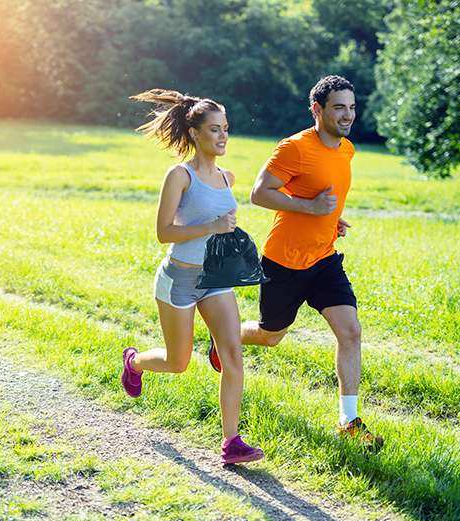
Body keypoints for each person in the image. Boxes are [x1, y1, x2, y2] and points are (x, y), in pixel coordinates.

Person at [208, 75, 383, 449]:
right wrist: (311, 208)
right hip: (284, 262)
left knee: (350, 331)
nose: (347, 115)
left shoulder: (347, 150)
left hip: (323, 259)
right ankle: (225, 339)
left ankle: (348, 420)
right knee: (271, 336)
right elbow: (259, 194)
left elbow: (320, 195)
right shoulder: (294, 148)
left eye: (351, 107)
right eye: (339, 107)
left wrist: (329, 219)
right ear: (317, 110)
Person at [121, 89, 264, 464]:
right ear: (195, 133)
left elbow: (223, 228)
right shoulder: (179, 176)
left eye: (226, 129)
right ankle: (133, 362)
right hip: (179, 280)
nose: (223, 136)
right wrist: (213, 226)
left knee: (233, 355)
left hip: (215, 280)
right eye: (214, 129)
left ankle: (231, 442)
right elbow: (164, 232)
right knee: (177, 362)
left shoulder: (227, 178)